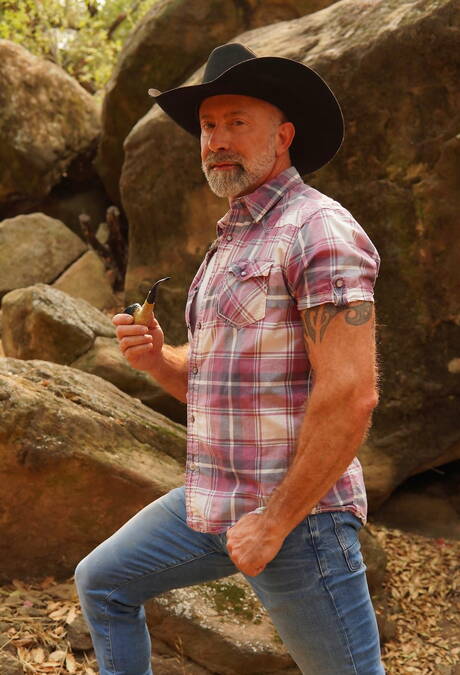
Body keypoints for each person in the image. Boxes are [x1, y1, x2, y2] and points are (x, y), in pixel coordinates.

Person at [75, 43, 385, 674]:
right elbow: (224, 384)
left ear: (284, 136)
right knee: (102, 583)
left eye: (237, 122)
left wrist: (274, 522)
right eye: (208, 125)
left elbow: (353, 393)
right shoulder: (232, 242)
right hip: (214, 502)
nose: (216, 140)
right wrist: (158, 361)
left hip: (299, 522)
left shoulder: (317, 229)